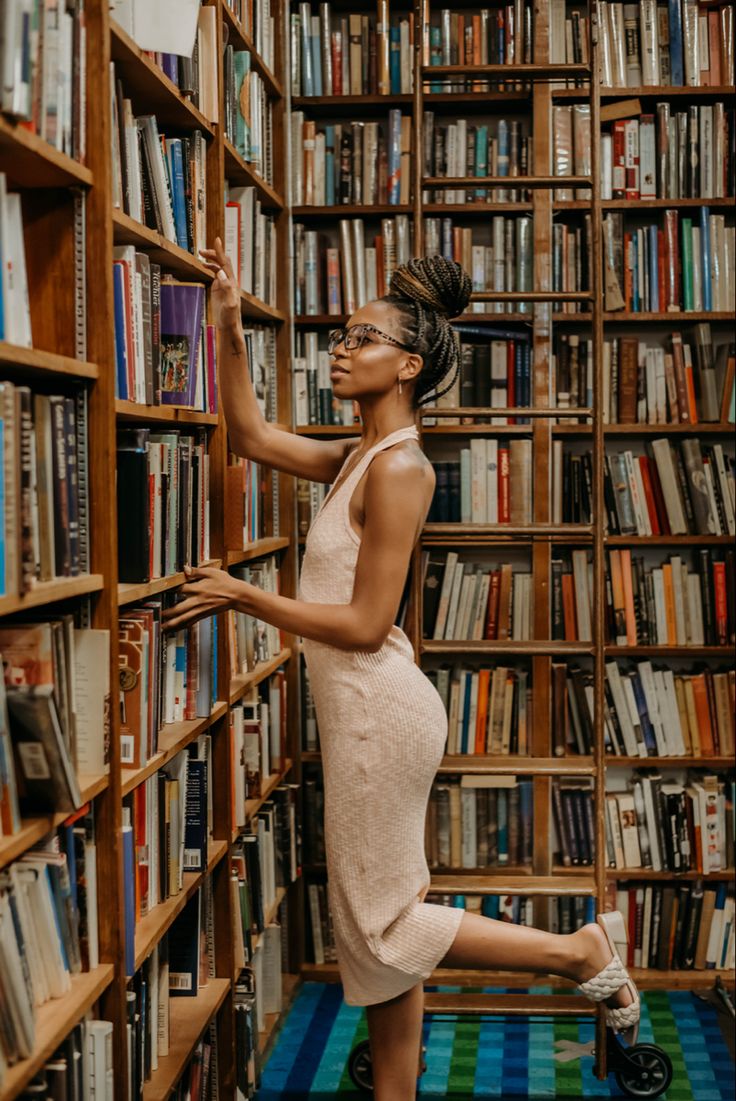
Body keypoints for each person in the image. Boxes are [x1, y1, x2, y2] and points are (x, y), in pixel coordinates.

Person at [163, 242, 639, 1100]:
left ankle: (577, 952)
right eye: (343, 334)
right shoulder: (357, 454)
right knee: (381, 926)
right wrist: (228, 321)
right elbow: (249, 434)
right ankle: (395, 1088)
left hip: (379, 713)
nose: (341, 348)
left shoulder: (404, 468)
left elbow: (365, 623)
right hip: (364, 713)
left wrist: (245, 595)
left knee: (381, 926)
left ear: (409, 364)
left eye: (363, 337)